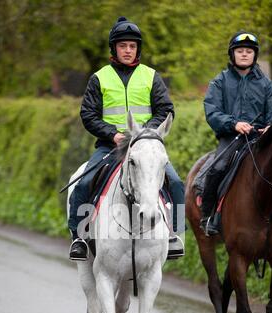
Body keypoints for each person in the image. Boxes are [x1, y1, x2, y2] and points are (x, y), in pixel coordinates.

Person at [68, 16, 185, 259]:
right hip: (111, 146)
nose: (128, 50)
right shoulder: (99, 78)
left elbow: (166, 109)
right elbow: (88, 115)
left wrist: (144, 134)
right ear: (114, 49)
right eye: (123, 46)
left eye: (132, 46)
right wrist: (113, 134)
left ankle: (175, 235)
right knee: (84, 182)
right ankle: (78, 237)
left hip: (145, 146)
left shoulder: (151, 76)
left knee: (174, 182)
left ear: (137, 49)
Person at [200, 31, 272, 236]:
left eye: (248, 51)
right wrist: (234, 124)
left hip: (260, 139)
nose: (244, 54)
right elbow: (212, 111)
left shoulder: (266, 84)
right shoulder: (219, 82)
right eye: (240, 51)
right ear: (232, 54)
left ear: (254, 55)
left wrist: (271, 125)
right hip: (232, 138)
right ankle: (209, 217)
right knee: (217, 168)